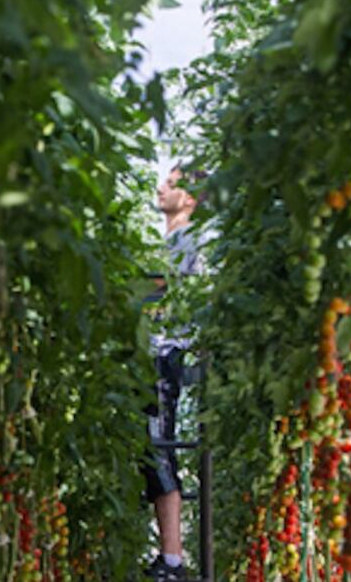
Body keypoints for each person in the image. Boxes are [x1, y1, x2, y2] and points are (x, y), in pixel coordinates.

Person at [142, 165, 206, 581]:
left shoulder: (186, 240)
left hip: (166, 353)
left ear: (189, 198)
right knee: (151, 446)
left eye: (172, 182)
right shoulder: (171, 241)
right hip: (157, 351)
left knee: (158, 443)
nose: (162, 186)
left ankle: (173, 559)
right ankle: (169, 556)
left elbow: (166, 297)